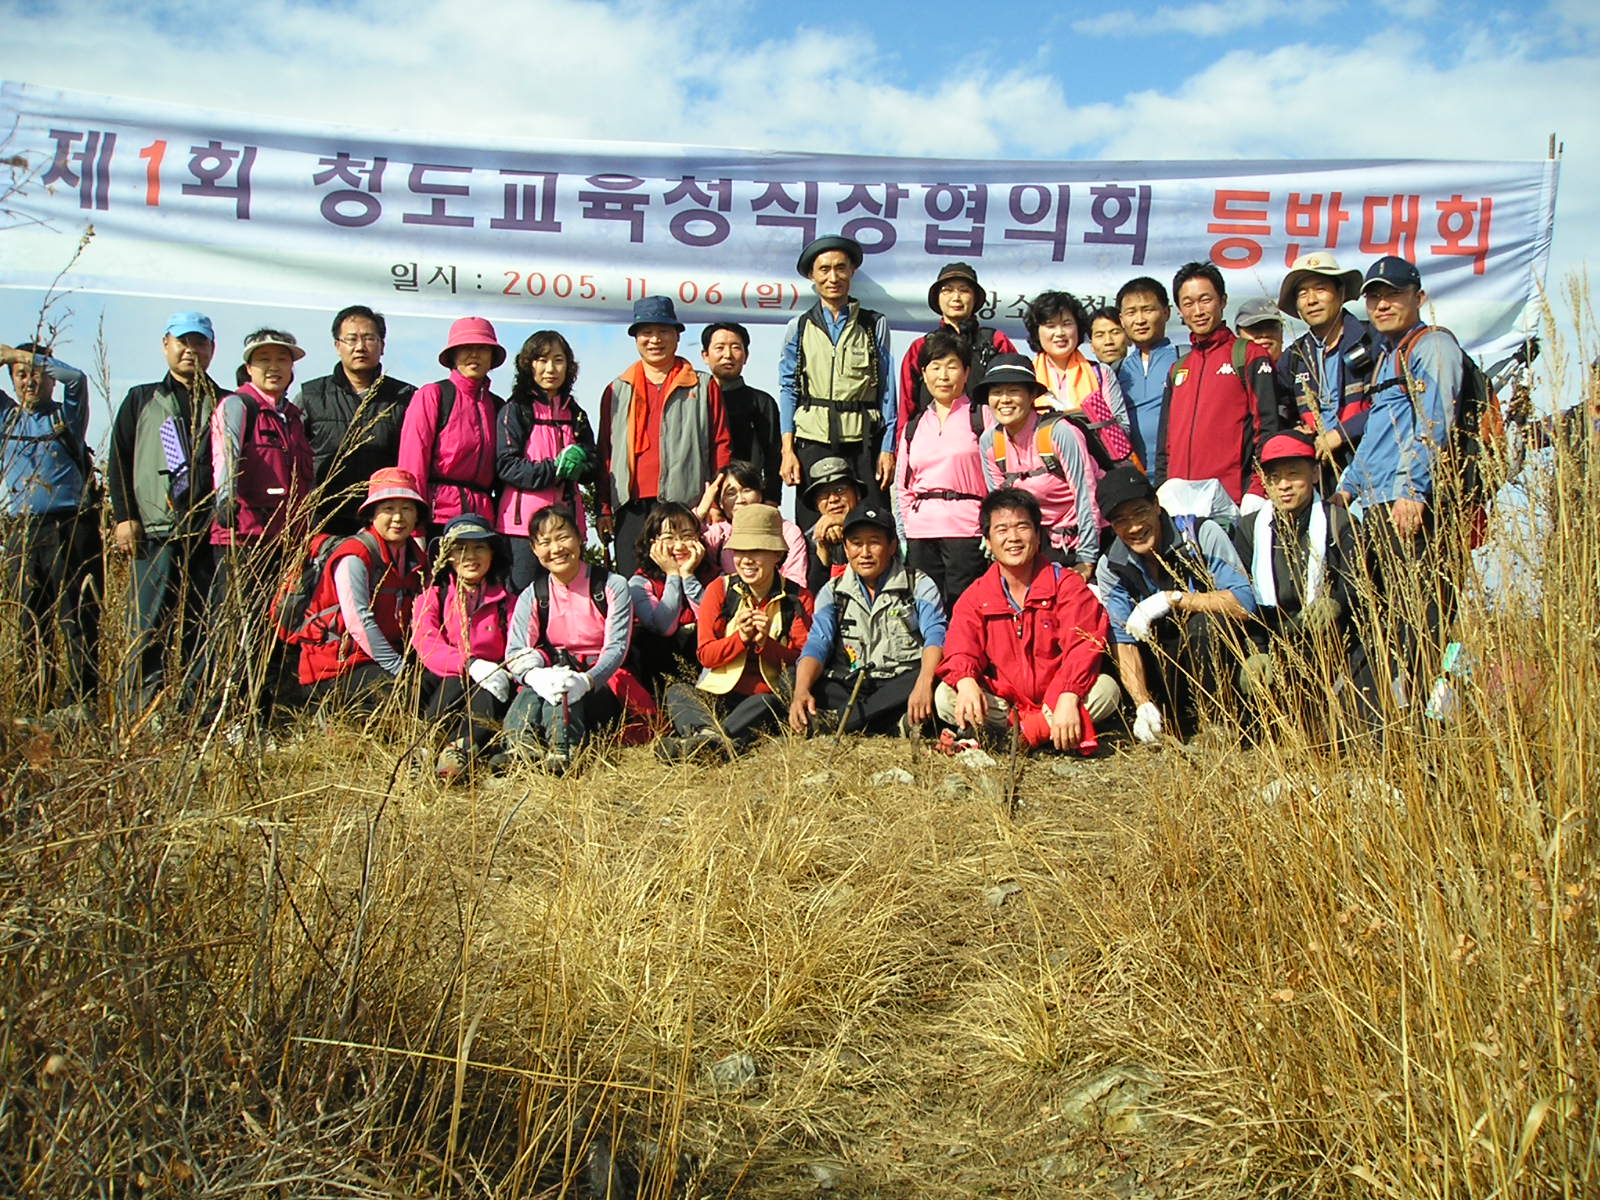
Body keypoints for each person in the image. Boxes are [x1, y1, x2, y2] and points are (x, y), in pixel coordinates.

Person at [1335, 255, 1471, 711]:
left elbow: (1436, 423)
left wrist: (1414, 490)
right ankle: (1394, 718)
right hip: (1380, 505)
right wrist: (1347, 487)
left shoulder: (1433, 345)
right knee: (1390, 621)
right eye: (1374, 296)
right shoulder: (1390, 355)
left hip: (1413, 507)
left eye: (1392, 294)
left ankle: (1434, 719)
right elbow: (1378, 434)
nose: (1381, 304)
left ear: (1419, 297)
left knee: (1426, 622)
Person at [935, 488, 1118, 755]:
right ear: (988, 540)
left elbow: (1083, 647)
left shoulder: (1067, 586)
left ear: (1038, 534)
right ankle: (1045, 731)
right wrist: (965, 681)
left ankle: (1019, 736)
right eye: (1001, 529)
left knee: (1106, 690)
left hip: (1058, 698)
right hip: (1006, 703)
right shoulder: (976, 595)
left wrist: (1068, 695)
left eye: (1022, 527)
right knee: (945, 696)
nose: (1013, 538)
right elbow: (961, 647)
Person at [107, 311, 225, 715]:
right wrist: (125, 516)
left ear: (212, 349)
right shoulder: (142, 399)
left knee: (200, 623)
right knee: (148, 623)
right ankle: (143, 708)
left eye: (200, 343)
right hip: (155, 531)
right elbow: (119, 459)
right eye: (183, 342)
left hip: (207, 532)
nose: (191, 351)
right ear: (166, 345)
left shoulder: (225, 402)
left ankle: (192, 708)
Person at [197, 329, 316, 727]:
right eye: (264, 360)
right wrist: (225, 498)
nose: (273, 367)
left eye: (281, 360)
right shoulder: (237, 406)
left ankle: (262, 716)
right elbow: (224, 454)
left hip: (285, 540)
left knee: (273, 629)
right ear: (249, 367)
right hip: (244, 537)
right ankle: (223, 718)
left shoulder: (293, 417)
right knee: (235, 630)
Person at [1095, 466, 1260, 744]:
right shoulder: (1111, 565)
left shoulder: (1201, 534)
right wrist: (1141, 702)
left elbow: (1244, 603)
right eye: (1121, 520)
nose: (1134, 527)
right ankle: (1163, 717)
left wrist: (1174, 599)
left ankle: (1220, 723)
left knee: (1206, 624)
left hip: (1213, 656)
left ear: (1156, 505)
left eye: (1140, 512)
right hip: (1163, 663)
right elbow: (1124, 642)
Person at [1232, 431, 1375, 731]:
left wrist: (1336, 603)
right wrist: (1255, 651)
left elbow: (1360, 584)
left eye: (1293, 474)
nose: (1283, 485)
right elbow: (1243, 599)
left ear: (1314, 474)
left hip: (1328, 640)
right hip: (1275, 640)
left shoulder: (1339, 522)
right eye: (1274, 477)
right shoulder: (1249, 529)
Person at [656, 504, 813, 762]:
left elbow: (803, 661)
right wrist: (740, 638)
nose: (746, 560)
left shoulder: (799, 597)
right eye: (740, 551)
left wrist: (765, 643)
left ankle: (705, 741)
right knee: (678, 692)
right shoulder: (719, 589)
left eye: (757, 551)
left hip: (765, 695)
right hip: (720, 693)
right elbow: (706, 655)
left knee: (766, 703)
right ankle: (712, 738)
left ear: (777, 555)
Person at [0, 339, 99, 713]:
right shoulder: (6, 418)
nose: (30, 381)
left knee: (77, 618)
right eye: (20, 375)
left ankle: (80, 705)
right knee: (29, 621)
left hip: (69, 529)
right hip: (21, 531)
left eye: (38, 373)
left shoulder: (66, 417)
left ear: (50, 379)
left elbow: (77, 379)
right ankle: (34, 703)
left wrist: (17, 356)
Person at [599, 296, 731, 576]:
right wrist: (604, 508)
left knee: (686, 582)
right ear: (636, 338)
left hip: (686, 506)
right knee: (633, 586)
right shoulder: (617, 389)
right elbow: (605, 454)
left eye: (663, 331)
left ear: (677, 336)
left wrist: (715, 502)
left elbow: (720, 445)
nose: (655, 340)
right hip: (631, 508)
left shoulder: (703, 385)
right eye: (646, 332)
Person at [502, 504, 640, 771]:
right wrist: (535, 676)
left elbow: (617, 648)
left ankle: (563, 750)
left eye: (563, 537)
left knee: (564, 687)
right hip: (555, 675)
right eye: (545, 542)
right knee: (543, 686)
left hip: (603, 684)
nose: (556, 549)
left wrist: (586, 680)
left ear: (580, 538)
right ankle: (519, 748)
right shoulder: (533, 594)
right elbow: (515, 653)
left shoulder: (611, 585)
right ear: (534, 549)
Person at [790, 502, 946, 737]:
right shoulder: (832, 592)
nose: (864, 553)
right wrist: (800, 691)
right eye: (856, 543)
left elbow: (935, 634)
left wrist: (924, 683)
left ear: (892, 545)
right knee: (795, 677)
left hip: (900, 683)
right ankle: (890, 724)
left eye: (874, 542)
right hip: (850, 684)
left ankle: (838, 722)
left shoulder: (919, 584)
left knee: (934, 678)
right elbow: (818, 643)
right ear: (845, 547)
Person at [778, 234, 897, 527]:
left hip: (863, 441)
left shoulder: (874, 324)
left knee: (872, 525)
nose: (833, 277)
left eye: (841, 268)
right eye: (824, 269)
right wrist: (787, 451)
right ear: (812, 276)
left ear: (852, 272)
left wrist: (887, 448)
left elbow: (887, 391)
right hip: (813, 440)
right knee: (815, 529)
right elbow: (788, 389)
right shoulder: (799, 327)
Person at [295, 467, 430, 710]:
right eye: (388, 509)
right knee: (404, 698)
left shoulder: (416, 557)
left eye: (407, 509)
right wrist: (399, 668)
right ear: (371, 515)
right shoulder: (355, 555)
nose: (398, 518)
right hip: (337, 665)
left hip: (380, 658)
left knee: (434, 688)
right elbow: (358, 621)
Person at [1155, 262, 1284, 504]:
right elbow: (1165, 446)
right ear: (1179, 310)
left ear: (1223, 301)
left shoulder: (1249, 355)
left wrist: (1258, 490)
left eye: (1205, 300)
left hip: (1231, 500)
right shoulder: (1178, 369)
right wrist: (1161, 491)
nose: (1198, 311)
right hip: (1178, 503)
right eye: (1188, 303)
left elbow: (1268, 427)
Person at [411, 513, 519, 782]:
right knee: (456, 679)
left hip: (491, 686)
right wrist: (468, 664)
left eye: (479, 547)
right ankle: (425, 746)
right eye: (460, 548)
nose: (470, 556)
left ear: (492, 554)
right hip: (446, 684)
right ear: (448, 556)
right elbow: (427, 643)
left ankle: (459, 750)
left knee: (488, 687)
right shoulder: (433, 597)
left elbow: (519, 647)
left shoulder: (509, 603)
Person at [976, 354, 1101, 579]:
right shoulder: (990, 442)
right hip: (1038, 544)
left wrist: (1087, 559)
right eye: (996, 392)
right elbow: (1002, 507)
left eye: (1013, 391)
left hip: (1084, 541)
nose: (1004, 400)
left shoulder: (1059, 433)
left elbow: (1087, 495)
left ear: (1032, 395)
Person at [495, 329, 600, 590]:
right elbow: (507, 465)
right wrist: (554, 469)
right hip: (523, 528)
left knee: (569, 595)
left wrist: (581, 462)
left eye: (558, 360)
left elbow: (594, 465)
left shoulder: (575, 413)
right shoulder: (515, 410)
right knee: (522, 595)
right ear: (527, 365)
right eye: (541, 360)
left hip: (568, 525)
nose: (550, 368)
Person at [299, 305, 416, 535]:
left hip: (382, 520)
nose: (360, 347)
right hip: (322, 520)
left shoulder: (405, 397)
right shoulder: (311, 395)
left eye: (369, 338)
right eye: (351, 339)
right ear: (337, 346)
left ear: (382, 346)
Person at [896, 329, 990, 609]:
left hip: (968, 531)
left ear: (966, 372)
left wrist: (991, 526)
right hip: (921, 534)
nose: (944, 376)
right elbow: (903, 487)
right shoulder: (914, 426)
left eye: (952, 366)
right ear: (924, 374)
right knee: (926, 609)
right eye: (935, 367)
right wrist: (906, 531)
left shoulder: (983, 417)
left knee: (965, 609)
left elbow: (998, 478)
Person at [1276, 252, 1373, 494]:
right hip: (1320, 476)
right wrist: (1295, 431)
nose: (1311, 300)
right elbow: (1279, 408)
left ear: (1340, 293)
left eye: (1320, 289)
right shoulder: (1294, 356)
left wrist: (1340, 434)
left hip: (1371, 466)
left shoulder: (1372, 340)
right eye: (1302, 293)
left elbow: (1389, 407)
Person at [398, 316, 505, 532]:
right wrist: (415, 526)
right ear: (453, 355)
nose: (474, 354)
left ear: (492, 356)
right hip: (437, 518)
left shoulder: (498, 405)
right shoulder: (433, 395)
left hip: (483, 521)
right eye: (466, 348)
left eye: (482, 348)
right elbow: (413, 463)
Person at [895, 261, 1016, 435]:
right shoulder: (921, 346)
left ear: (975, 298)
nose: (956, 297)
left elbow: (1018, 393)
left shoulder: (996, 341)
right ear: (937, 298)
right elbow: (907, 406)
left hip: (989, 440)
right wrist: (902, 443)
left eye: (964, 290)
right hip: (931, 438)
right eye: (948, 290)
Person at [1025, 290, 1133, 464]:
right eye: (1050, 326)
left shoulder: (1101, 373)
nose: (1060, 332)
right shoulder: (1027, 376)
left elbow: (1122, 429)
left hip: (1097, 467)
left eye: (1067, 324)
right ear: (1037, 332)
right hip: (1042, 470)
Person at [628, 500, 718, 688]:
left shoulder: (716, 577)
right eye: (669, 538)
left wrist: (688, 576)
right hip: (663, 667)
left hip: (706, 660)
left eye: (687, 536)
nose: (679, 546)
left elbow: (712, 622)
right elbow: (665, 627)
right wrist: (673, 575)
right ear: (653, 543)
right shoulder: (639, 583)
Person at [701, 322, 781, 503]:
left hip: (748, 498)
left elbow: (774, 455)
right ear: (705, 355)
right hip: (703, 499)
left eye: (736, 347)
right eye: (719, 348)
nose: (728, 355)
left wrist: (771, 498)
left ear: (746, 356)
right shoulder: (695, 402)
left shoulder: (762, 402)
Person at [695, 460, 808, 586]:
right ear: (721, 502)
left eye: (747, 490)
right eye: (731, 493)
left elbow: (796, 580)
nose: (740, 499)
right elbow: (683, 542)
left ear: (760, 494)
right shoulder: (718, 535)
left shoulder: (787, 532)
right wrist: (701, 512)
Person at [1115, 277, 1179, 469]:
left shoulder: (1186, 359)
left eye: (1148, 310)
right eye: (1131, 312)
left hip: (1179, 475)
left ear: (1166, 312)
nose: (1140, 320)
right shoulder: (1116, 371)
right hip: (1134, 478)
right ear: (1122, 320)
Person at [799, 455, 864, 594]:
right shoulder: (807, 540)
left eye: (840, 490)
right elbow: (812, 594)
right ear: (816, 504)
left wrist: (848, 523)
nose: (833, 499)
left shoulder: (877, 524)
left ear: (857, 494)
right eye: (824, 494)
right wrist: (823, 552)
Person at [1234, 298, 1285, 364]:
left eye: (1271, 327)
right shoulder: (1226, 367)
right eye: (1254, 328)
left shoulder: (1294, 365)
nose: (1264, 334)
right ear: (1239, 334)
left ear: (1281, 332)